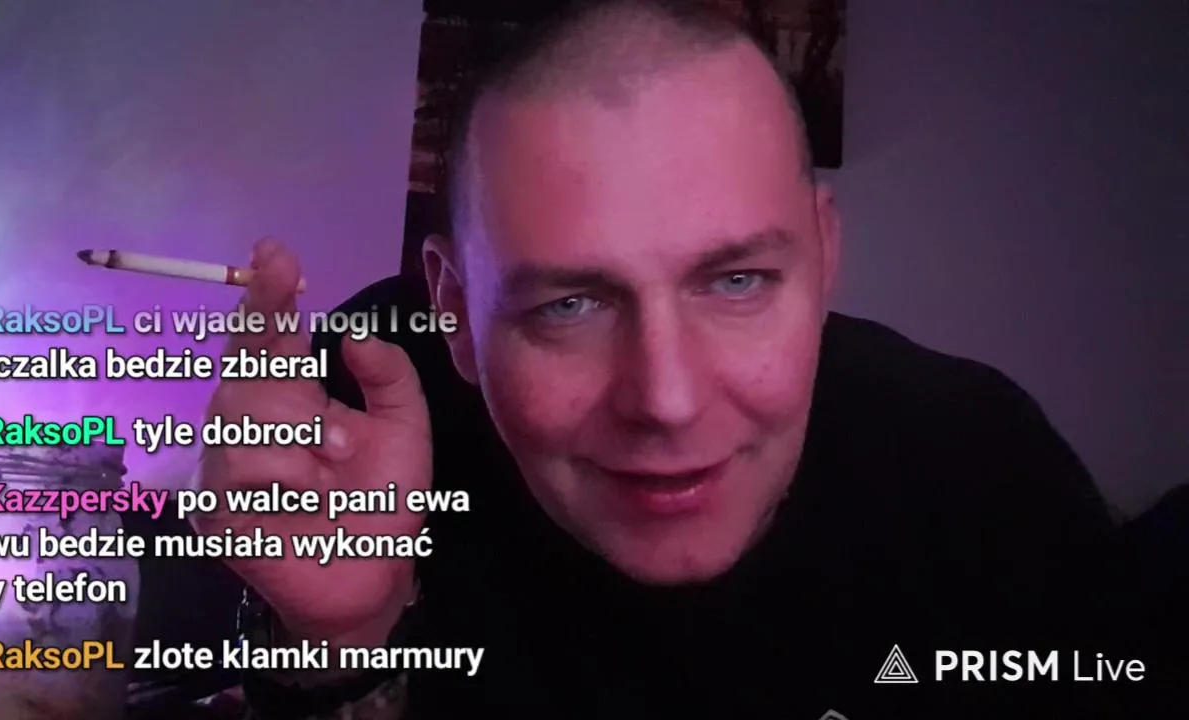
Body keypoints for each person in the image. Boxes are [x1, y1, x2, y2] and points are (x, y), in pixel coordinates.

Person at [194, 1, 1169, 717]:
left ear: (823, 254)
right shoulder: (358, 413)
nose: (664, 398)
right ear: (451, 306)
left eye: (735, 282)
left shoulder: (977, 467)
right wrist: (336, 644)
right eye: (570, 305)